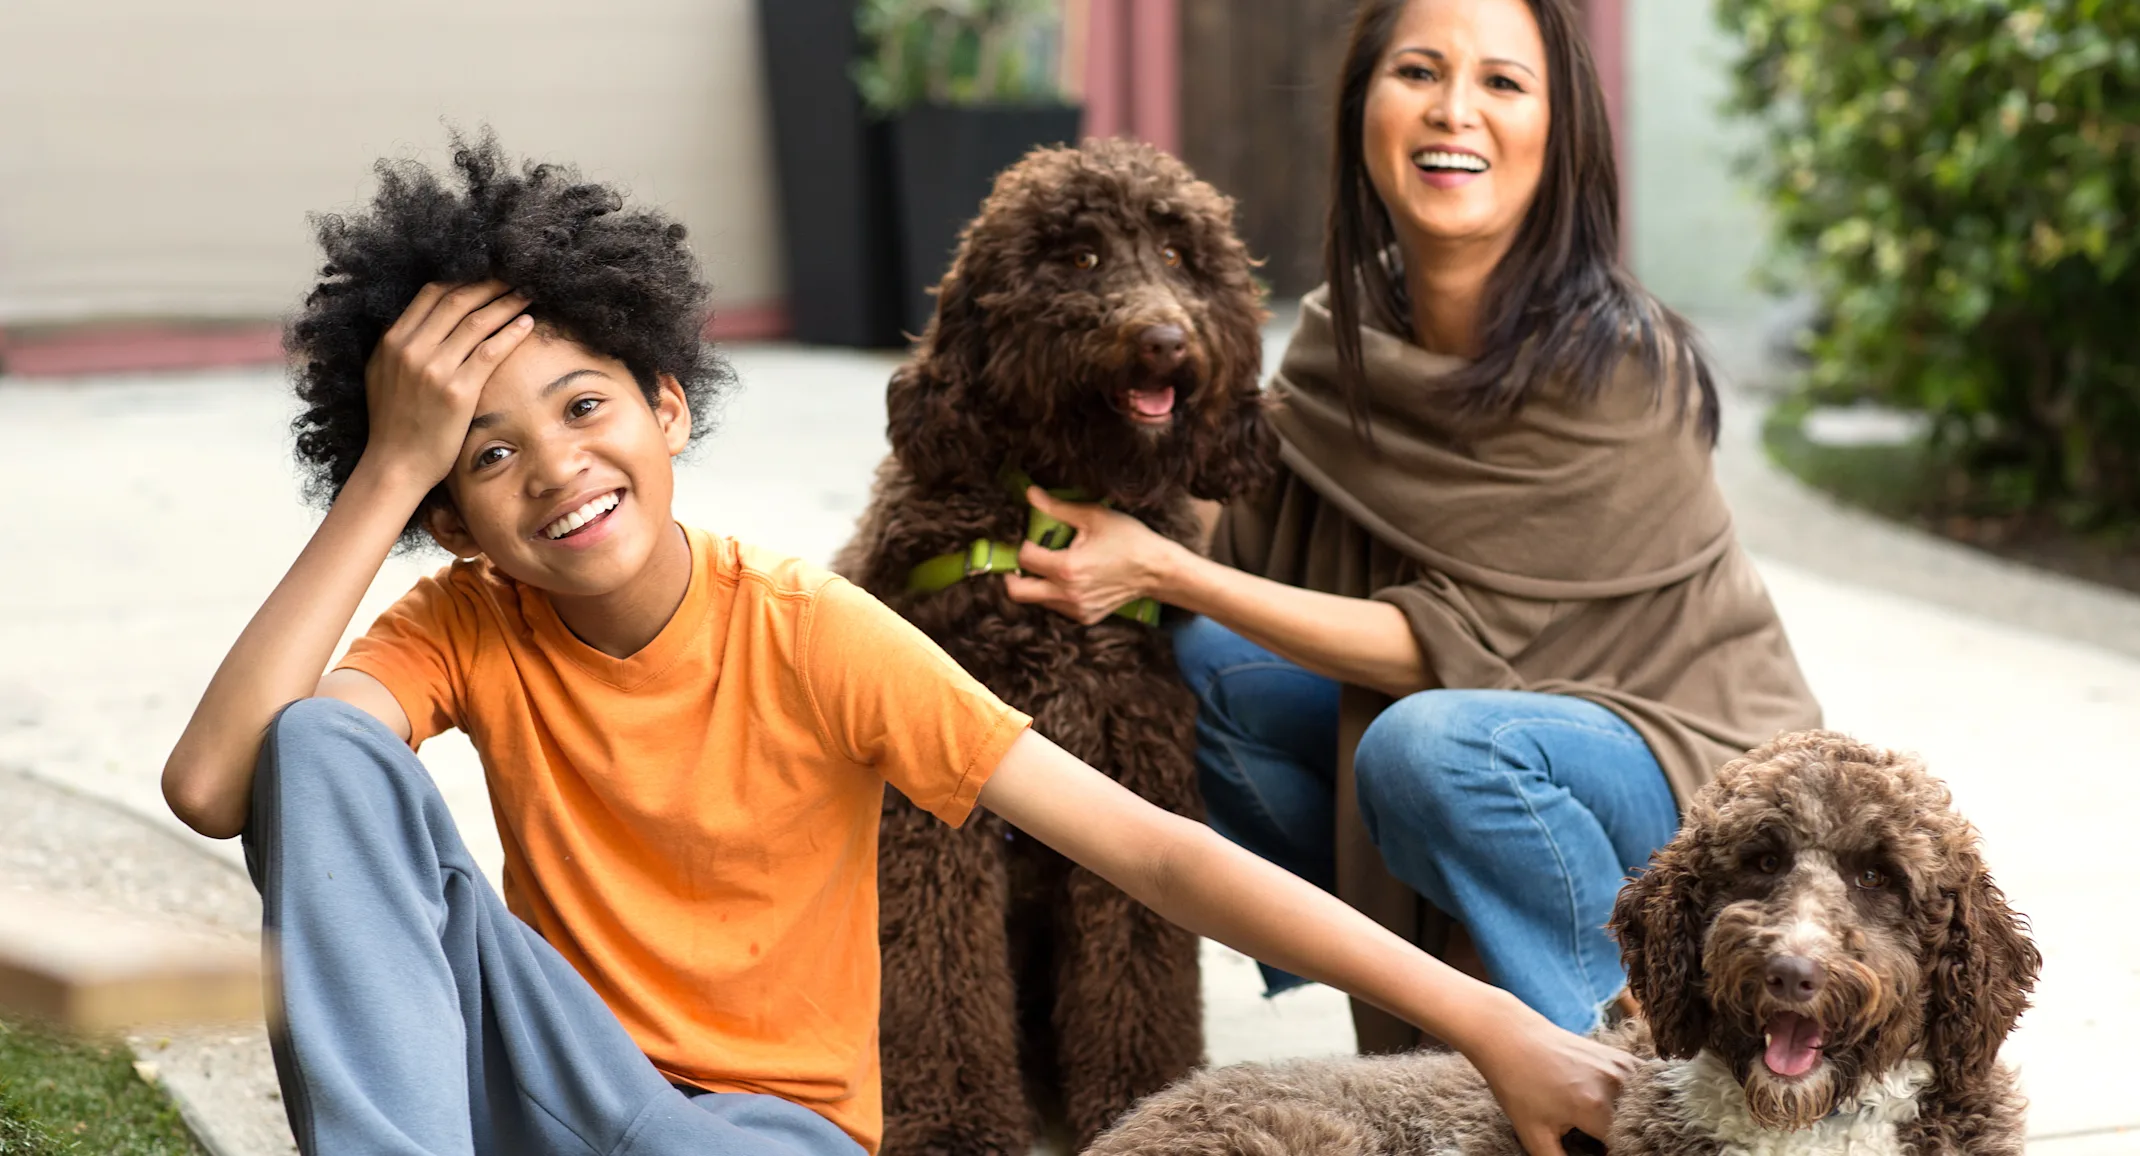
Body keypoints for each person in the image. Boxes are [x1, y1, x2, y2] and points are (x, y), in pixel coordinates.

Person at [160, 133, 1631, 1156]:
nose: (554, 467)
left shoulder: (809, 630)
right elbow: (222, 785)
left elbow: (1160, 854)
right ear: (452, 516)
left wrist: (1493, 1025)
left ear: (670, 406)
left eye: (585, 405)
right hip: (548, 1089)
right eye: (482, 454)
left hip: (757, 1135)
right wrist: (383, 473)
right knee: (319, 739)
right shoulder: (465, 626)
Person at [1005, 0, 1823, 1048]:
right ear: (1362, 109)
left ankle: (1606, 1065)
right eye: (1419, 73)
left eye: (1501, 83)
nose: (1454, 112)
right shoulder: (1345, 334)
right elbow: (1239, 521)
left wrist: (1167, 571)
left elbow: (1456, 647)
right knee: (1186, 669)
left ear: (1559, 128)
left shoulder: (1621, 367)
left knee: (1424, 748)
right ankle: (1450, 996)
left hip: (1692, 780)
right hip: (1495, 745)